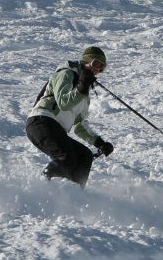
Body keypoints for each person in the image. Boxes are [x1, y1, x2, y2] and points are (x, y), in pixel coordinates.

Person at [26, 46, 115, 187]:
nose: (97, 70)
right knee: (67, 158)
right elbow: (63, 103)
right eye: (95, 64)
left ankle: (75, 194)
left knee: (84, 156)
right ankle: (42, 183)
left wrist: (99, 142)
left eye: (101, 68)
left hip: (56, 129)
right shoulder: (66, 74)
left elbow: (79, 125)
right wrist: (81, 88)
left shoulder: (84, 93)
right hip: (41, 121)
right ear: (85, 61)